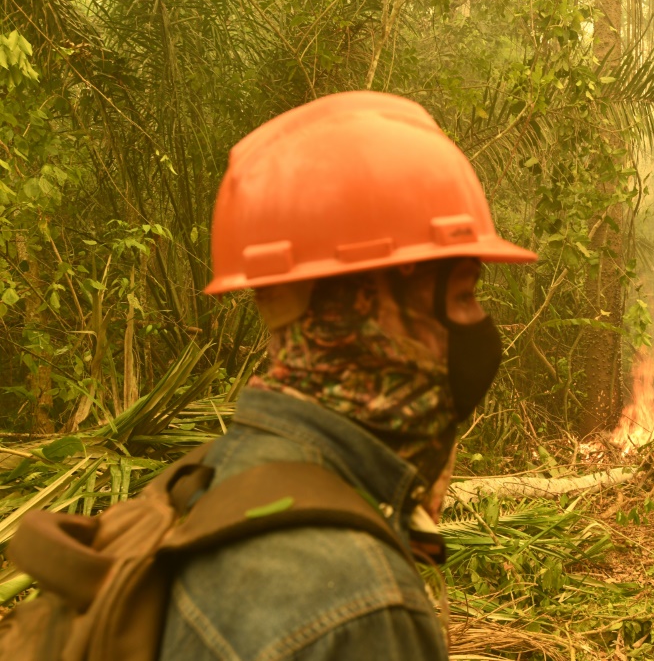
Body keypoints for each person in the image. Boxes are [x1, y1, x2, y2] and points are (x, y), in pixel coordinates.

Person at [158, 92, 536, 660]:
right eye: (462, 295)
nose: (480, 327)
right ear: (363, 309)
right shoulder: (359, 611)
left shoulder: (211, 483)